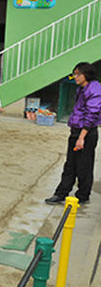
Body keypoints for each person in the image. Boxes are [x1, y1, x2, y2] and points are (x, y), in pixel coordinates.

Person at [45, 62, 101, 205]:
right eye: (74, 73)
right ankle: (61, 193)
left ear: (86, 74)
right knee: (70, 165)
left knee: (83, 165)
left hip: (86, 134)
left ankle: (82, 195)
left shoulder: (94, 89)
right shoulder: (81, 89)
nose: (75, 77)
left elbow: (92, 114)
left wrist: (82, 137)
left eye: (78, 74)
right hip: (76, 132)